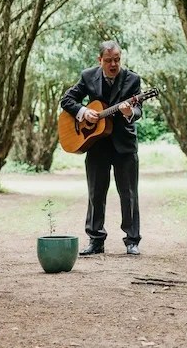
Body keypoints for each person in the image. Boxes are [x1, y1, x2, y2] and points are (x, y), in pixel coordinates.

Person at [60, 41, 143, 255]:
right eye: (108, 61)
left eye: (117, 59)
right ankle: (96, 240)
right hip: (95, 143)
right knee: (96, 193)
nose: (113, 64)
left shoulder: (132, 79)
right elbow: (67, 100)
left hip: (124, 145)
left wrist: (128, 113)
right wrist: (83, 112)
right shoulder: (88, 76)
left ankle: (132, 241)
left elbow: (138, 110)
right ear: (100, 61)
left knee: (129, 193)